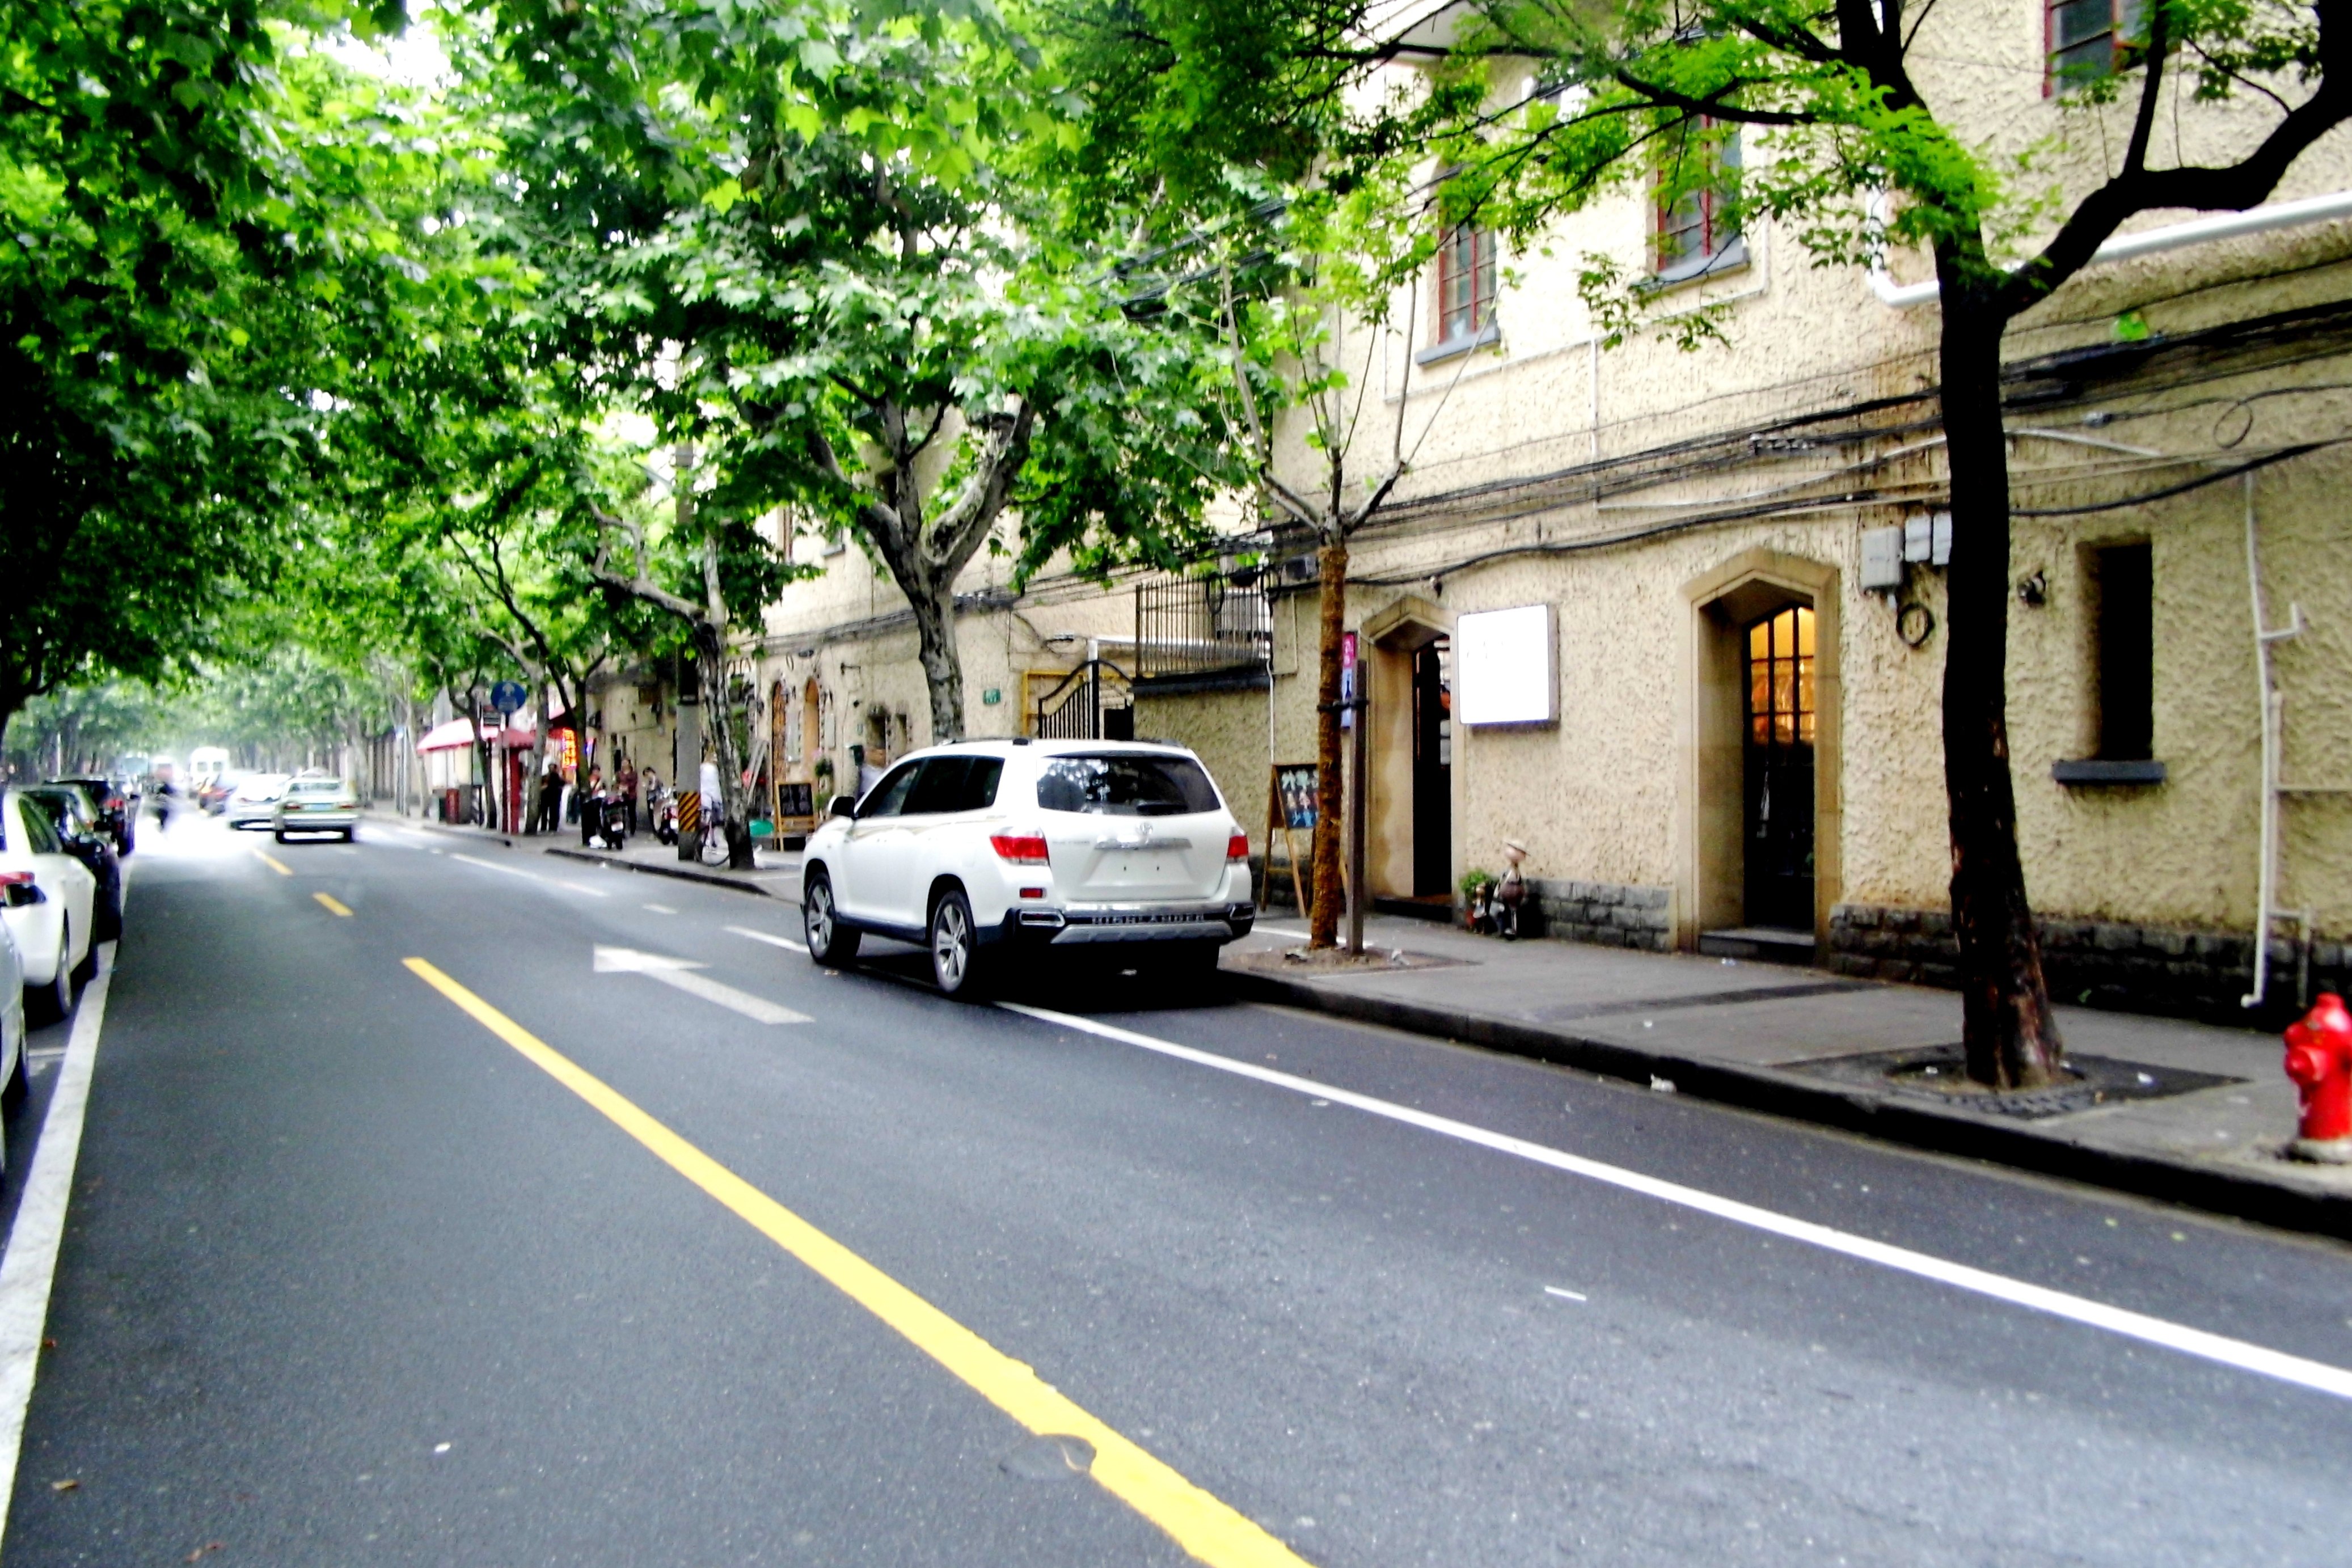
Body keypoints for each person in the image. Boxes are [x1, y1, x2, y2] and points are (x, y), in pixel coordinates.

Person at [538, 760, 564, 834]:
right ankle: (552, 828)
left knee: (549, 813)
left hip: (549, 797)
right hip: (552, 797)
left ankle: (546, 827)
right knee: (552, 813)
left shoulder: (548, 777)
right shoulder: (552, 777)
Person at [618, 760, 639, 834]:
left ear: (629, 764)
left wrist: (627, 787)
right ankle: (622, 830)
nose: (624, 765)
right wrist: (620, 787)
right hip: (622, 795)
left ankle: (633, 829)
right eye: (623, 763)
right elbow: (616, 782)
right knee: (621, 813)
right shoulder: (620, 774)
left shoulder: (633, 774)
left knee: (632, 812)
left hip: (631, 795)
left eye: (625, 763)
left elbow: (634, 783)